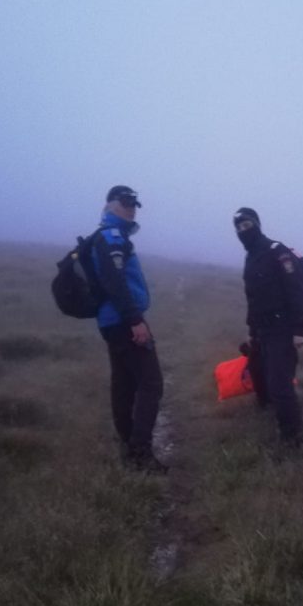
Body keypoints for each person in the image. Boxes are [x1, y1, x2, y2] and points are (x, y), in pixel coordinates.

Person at [91, 185, 167, 473]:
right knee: (151, 383)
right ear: (111, 205)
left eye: (134, 204)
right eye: (126, 202)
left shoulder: (110, 235)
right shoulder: (112, 237)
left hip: (112, 321)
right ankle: (140, 454)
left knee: (123, 384)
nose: (132, 208)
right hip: (123, 320)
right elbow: (115, 281)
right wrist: (135, 320)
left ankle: (128, 447)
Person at [233, 207, 303, 445]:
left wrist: (300, 330)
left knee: (279, 385)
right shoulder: (251, 257)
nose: (243, 231)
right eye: (238, 228)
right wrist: (252, 331)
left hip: (282, 328)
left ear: (257, 224)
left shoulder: (277, 251)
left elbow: (297, 290)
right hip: (261, 330)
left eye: (247, 225)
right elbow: (253, 298)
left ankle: (294, 439)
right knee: (259, 375)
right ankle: (268, 416)